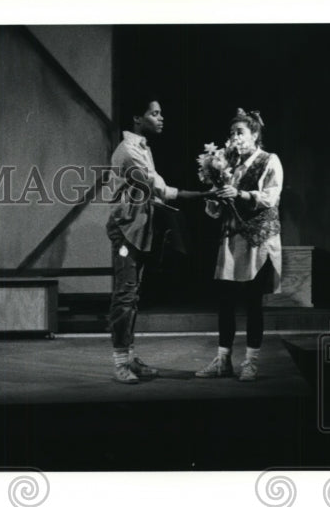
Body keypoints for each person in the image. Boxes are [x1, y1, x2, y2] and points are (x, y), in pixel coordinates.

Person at [106, 98, 208, 384]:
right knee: (125, 295)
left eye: (161, 113)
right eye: (155, 113)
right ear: (138, 118)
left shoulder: (141, 148)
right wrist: (198, 196)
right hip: (126, 231)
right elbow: (158, 188)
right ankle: (120, 363)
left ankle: (129, 357)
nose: (161, 118)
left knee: (133, 295)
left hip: (138, 230)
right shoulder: (129, 152)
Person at [195, 109, 283, 382]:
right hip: (232, 238)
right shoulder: (226, 163)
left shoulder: (269, 161)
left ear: (255, 135)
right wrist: (214, 198)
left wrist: (241, 193)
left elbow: (270, 197)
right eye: (232, 133)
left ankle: (251, 361)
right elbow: (216, 209)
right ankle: (223, 360)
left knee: (253, 302)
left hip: (258, 238)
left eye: (240, 132)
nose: (235, 138)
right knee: (226, 301)